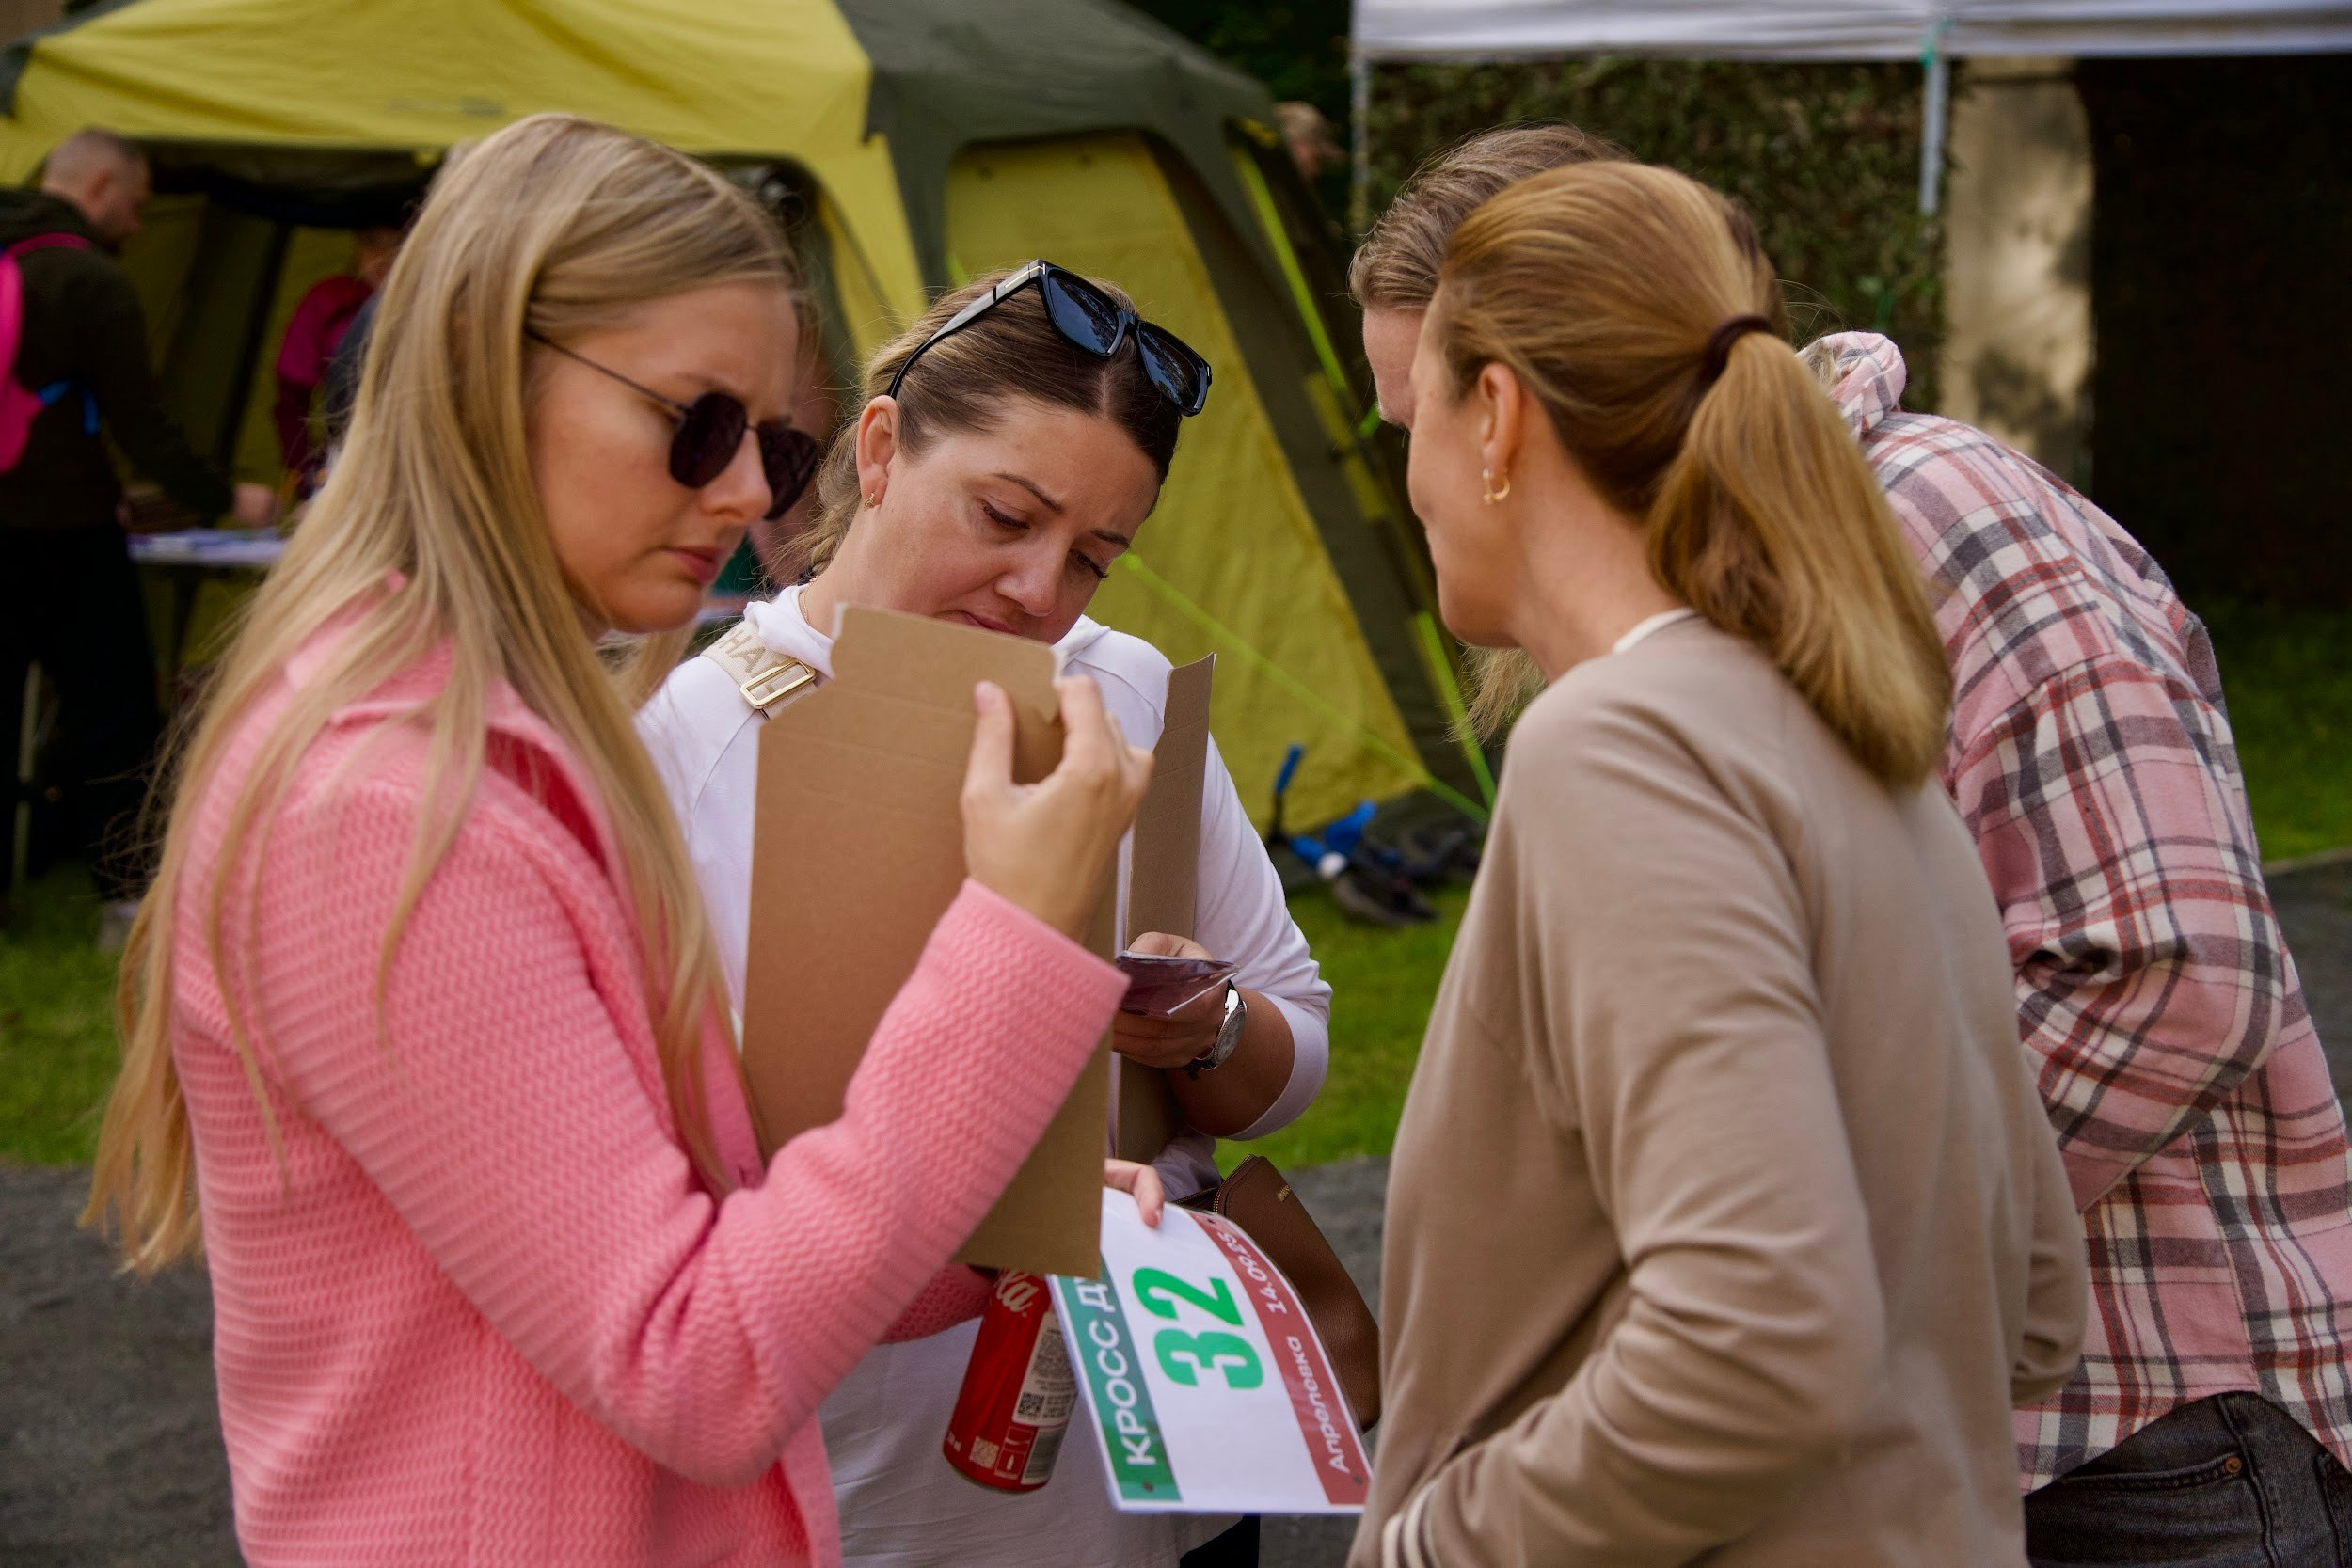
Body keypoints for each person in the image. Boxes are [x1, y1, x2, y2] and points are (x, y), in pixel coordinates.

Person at [81, 113, 1163, 1568]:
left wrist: (972, 1231)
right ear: (491, 373)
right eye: (698, 423)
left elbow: (678, 1226)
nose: (746, 499)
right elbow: (693, 1363)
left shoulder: (506, 744)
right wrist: (1018, 938)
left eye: (774, 442)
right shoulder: (385, 811)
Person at [1356, 124, 2352, 1567]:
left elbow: (2181, 968)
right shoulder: (1819, 694)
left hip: (2154, 1440)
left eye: (1416, 422)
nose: (1414, 481)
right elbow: (2016, 1293)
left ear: (1501, 412)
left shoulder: (1904, 540)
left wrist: (1443, 1532)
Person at [636, 261, 1329, 1568]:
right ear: (883, 448)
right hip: (862, 1493)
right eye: (1004, 514)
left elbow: (1292, 1045)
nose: (1038, 590)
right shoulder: (686, 746)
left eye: (1096, 557)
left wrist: (1202, 1026)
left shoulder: (1114, 689)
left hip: (1140, 1481)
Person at [0, 127, 275, 942]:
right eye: (138, 203)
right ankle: (128, 900)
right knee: (114, 714)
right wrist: (227, 495)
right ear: (101, 186)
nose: (139, 224)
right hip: (63, 531)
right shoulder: (90, 281)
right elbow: (141, 424)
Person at [271, 223, 401, 491]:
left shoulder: (447, 310)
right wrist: (306, 479)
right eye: (372, 244)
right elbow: (291, 401)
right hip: (347, 466)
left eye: (395, 246)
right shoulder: (328, 302)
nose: (382, 259)